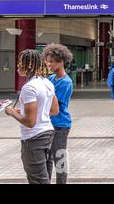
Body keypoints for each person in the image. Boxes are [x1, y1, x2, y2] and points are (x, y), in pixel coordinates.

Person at [5, 49, 59, 184]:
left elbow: (30, 122)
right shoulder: (47, 83)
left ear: (28, 65)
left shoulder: (29, 87)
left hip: (33, 138)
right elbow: (53, 110)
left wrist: (11, 111)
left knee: (38, 180)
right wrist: (25, 112)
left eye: (20, 63)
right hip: (48, 134)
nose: (18, 66)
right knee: (45, 178)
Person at [43, 44, 74, 184]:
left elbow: (54, 106)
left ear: (61, 61)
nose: (49, 64)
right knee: (47, 158)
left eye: (52, 62)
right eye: (47, 61)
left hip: (60, 125)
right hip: (49, 124)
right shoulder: (50, 79)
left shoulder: (65, 82)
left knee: (59, 158)